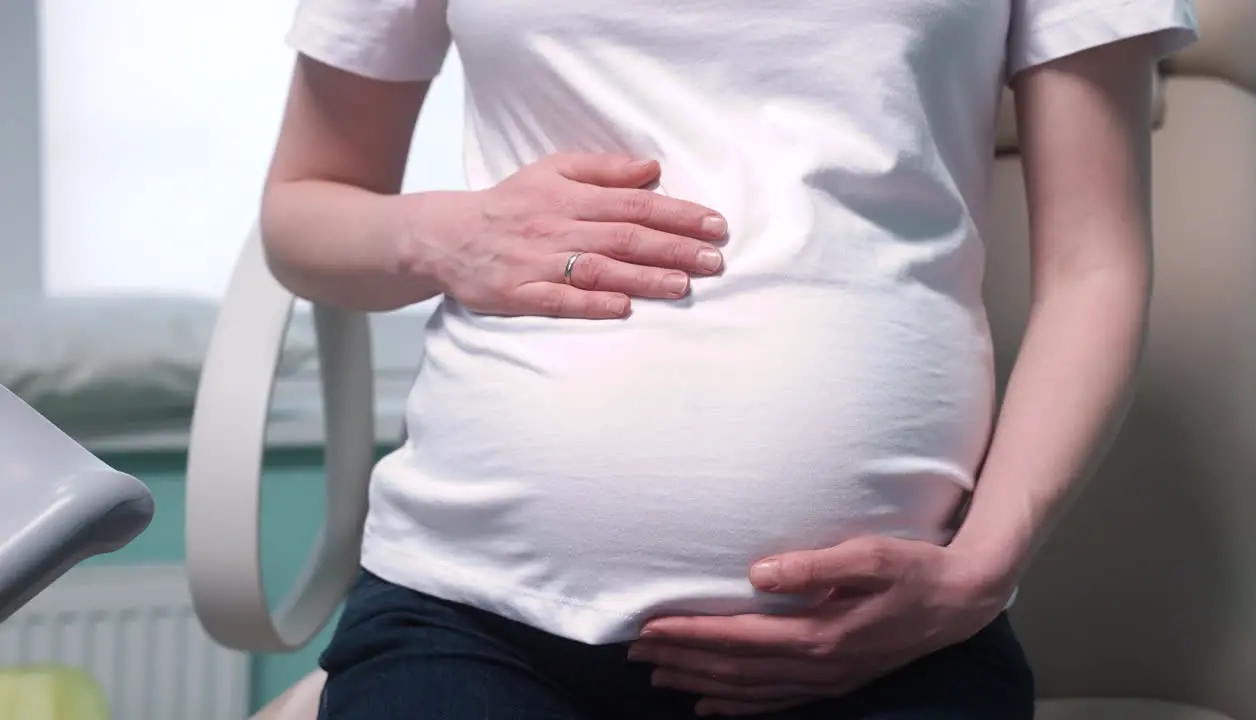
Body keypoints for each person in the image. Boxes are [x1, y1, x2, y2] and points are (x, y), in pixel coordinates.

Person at [261, 1, 1197, 718]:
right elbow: (304, 209)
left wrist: (984, 569)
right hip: (478, 617)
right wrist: (449, 235)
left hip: (886, 642)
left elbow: (1095, 267)